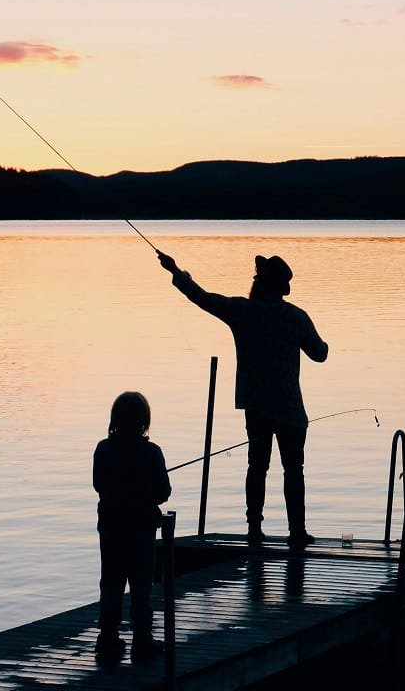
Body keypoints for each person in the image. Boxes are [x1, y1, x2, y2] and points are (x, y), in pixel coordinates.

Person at [158, 251, 328, 548]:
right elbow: (320, 354)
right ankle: (297, 532)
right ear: (282, 288)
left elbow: (202, 297)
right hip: (290, 409)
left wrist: (176, 272)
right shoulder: (296, 317)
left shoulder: (242, 311)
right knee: (294, 470)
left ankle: (254, 528)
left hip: (256, 406)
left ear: (259, 284)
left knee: (257, 466)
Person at [92, 391, 172, 664]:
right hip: (141, 530)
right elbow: (163, 492)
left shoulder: (103, 449)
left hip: (111, 528)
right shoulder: (152, 452)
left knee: (111, 582)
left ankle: (107, 636)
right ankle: (142, 639)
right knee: (141, 585)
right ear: (143, 421)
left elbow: (98, 485)